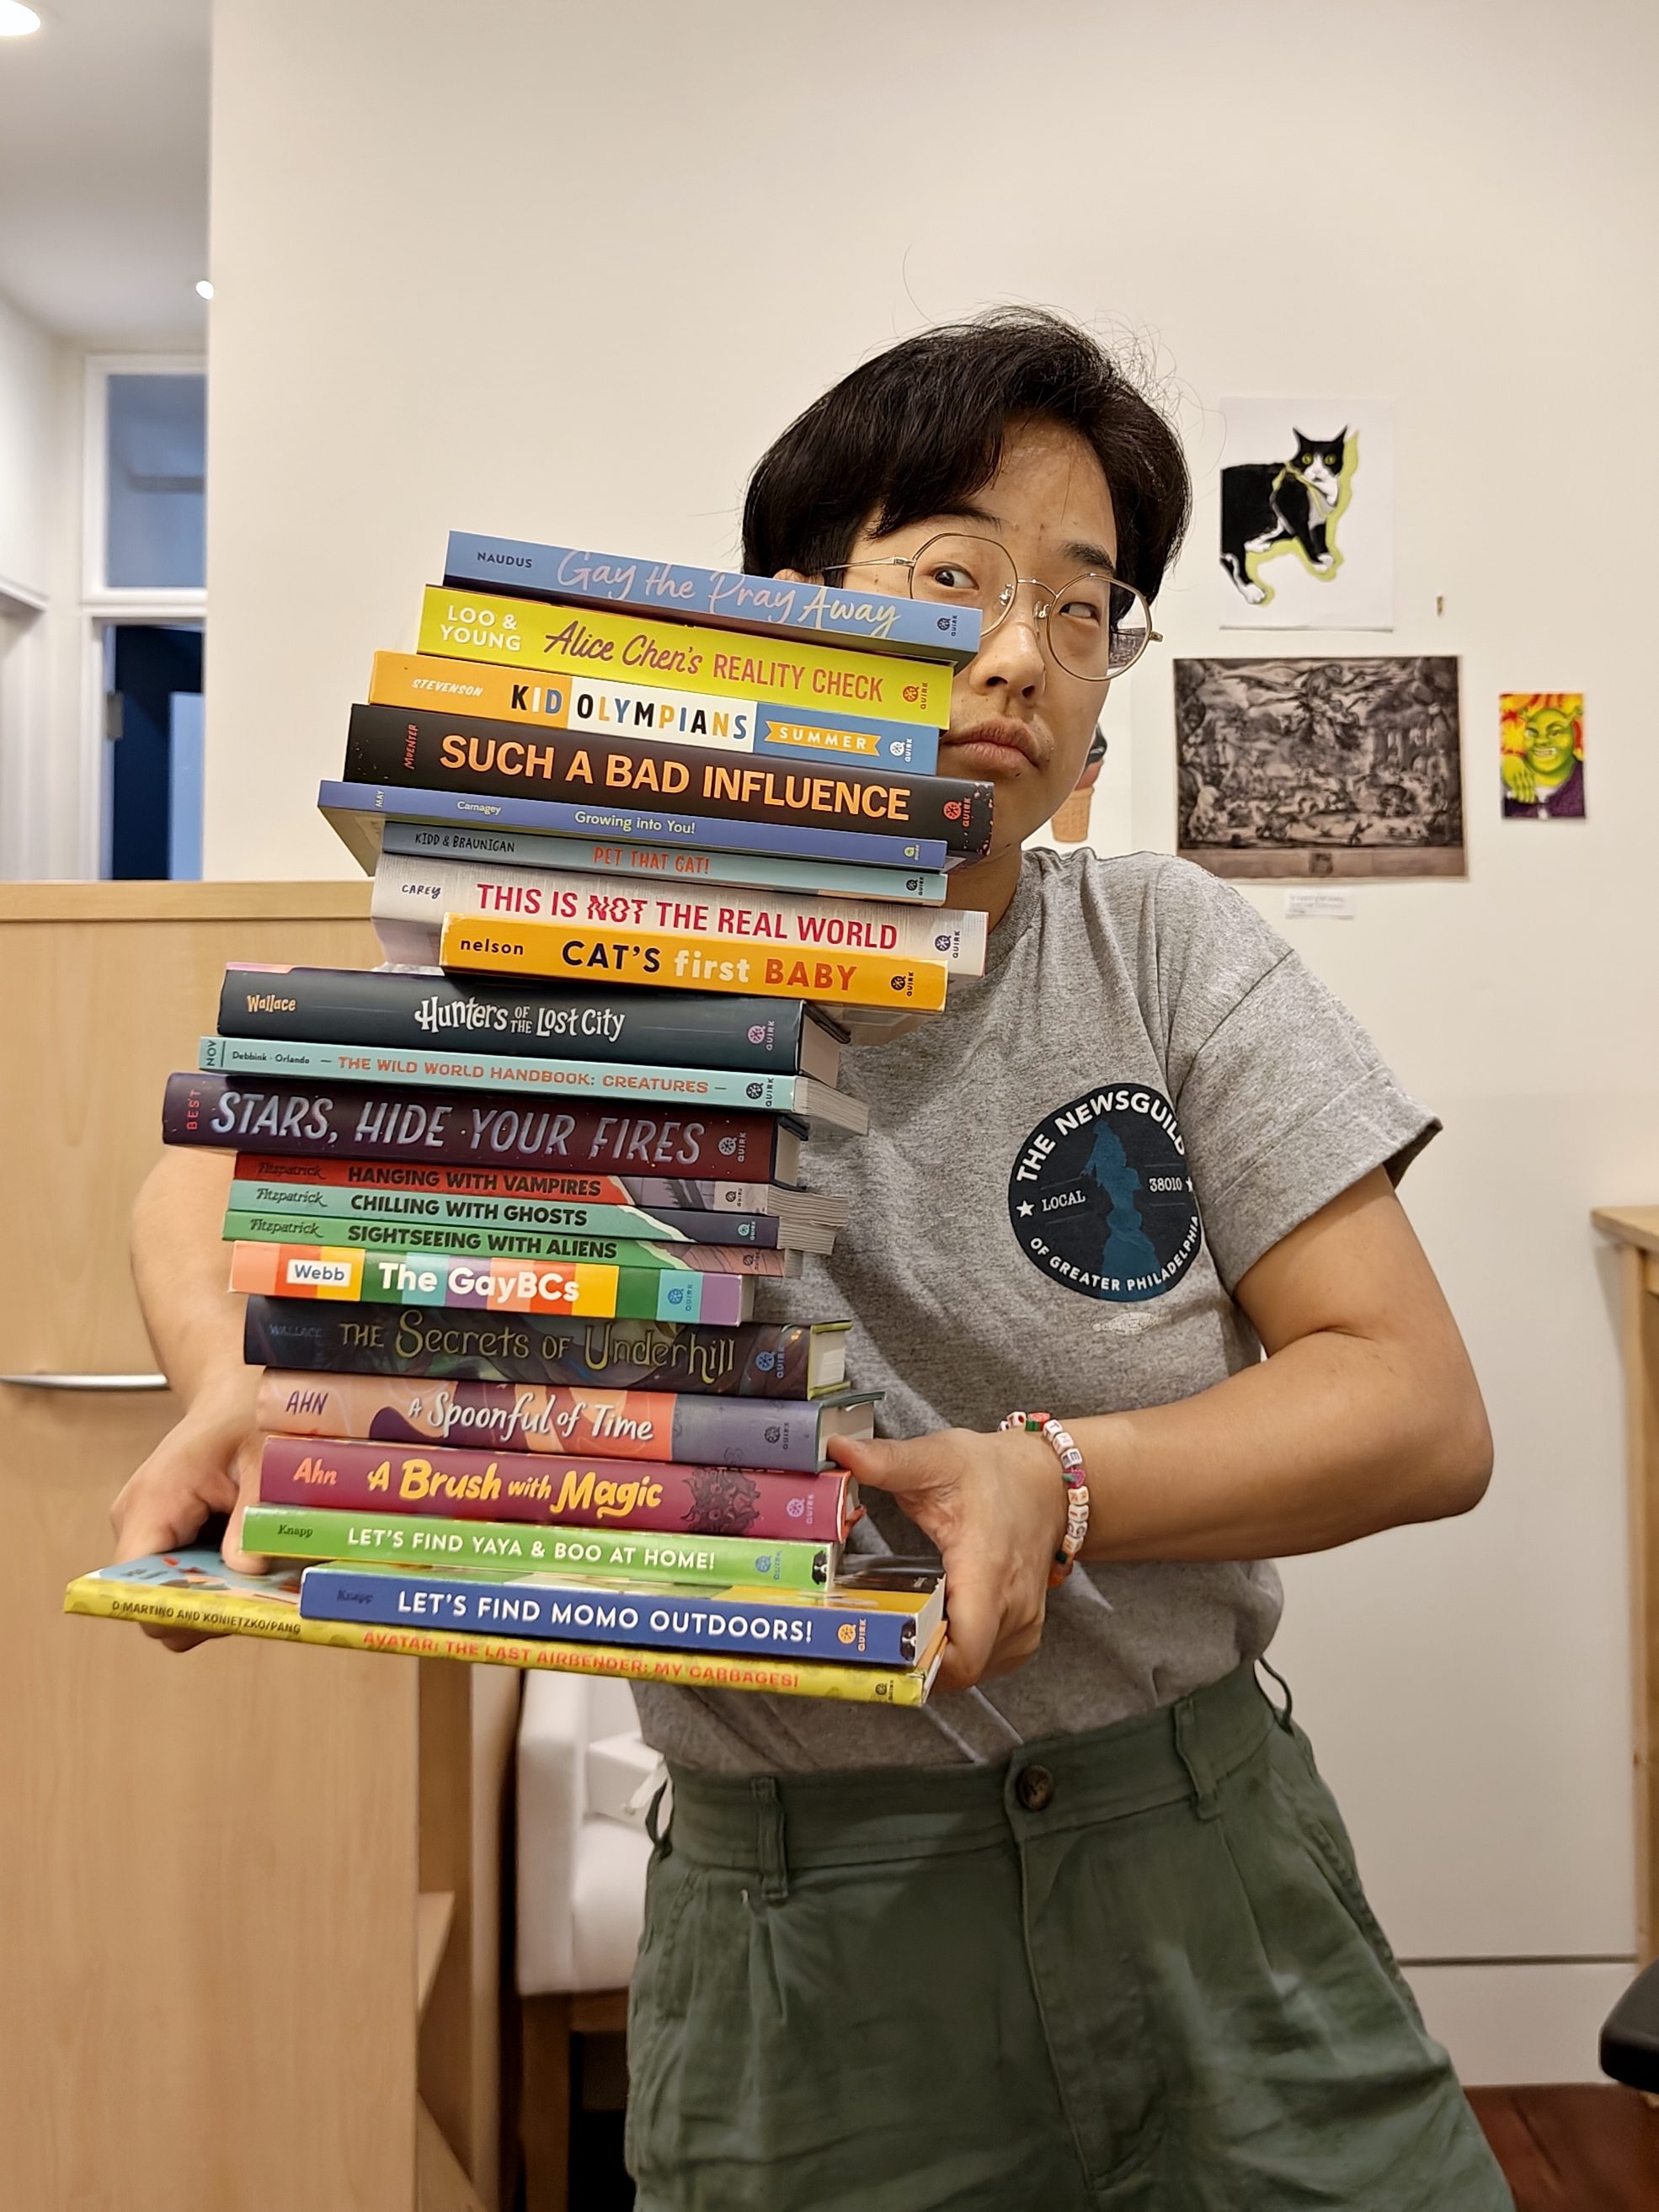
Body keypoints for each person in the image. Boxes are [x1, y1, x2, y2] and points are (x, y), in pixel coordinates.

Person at [113, 309, 1513, 2211]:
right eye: (950, 575)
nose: (1023, 652)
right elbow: (216, 1169)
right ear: (785, 614)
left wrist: (1059, 1480)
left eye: (1087, 610)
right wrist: (234, 1388)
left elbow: (1414, 1407)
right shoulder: (588, 937)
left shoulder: (1162, 951)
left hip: (1207, 1872)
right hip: (808, 1941)